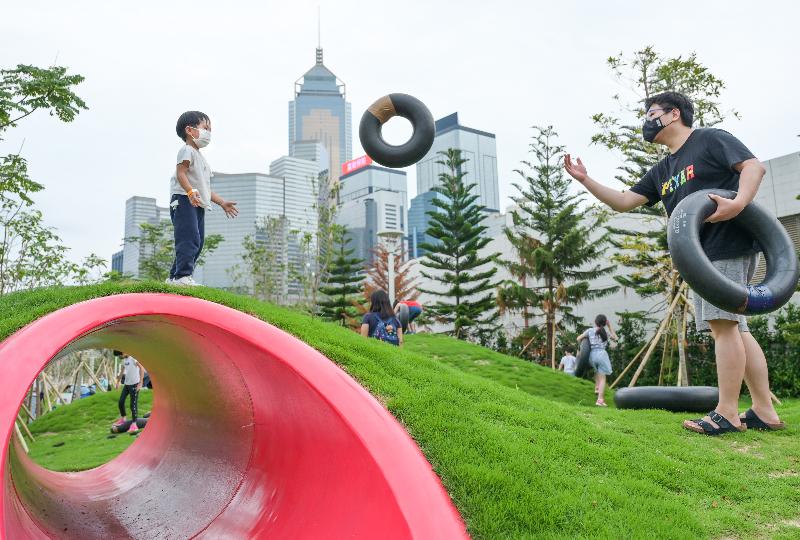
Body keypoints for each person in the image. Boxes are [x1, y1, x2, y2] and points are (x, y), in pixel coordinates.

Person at [564, 91, 784, 434]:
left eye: (652, 113)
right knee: (736, 327)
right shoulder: (663, 170)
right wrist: (585, 180)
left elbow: (753, 167)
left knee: (723, 326)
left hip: (726, 243)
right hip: (701, 254)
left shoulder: (710, 139)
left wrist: (738, 203)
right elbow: (623, 201)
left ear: (674, 113)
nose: (647, 122)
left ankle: (727, 412)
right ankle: (764, 411)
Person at [167, 111, 239, 286]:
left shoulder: (200, 157)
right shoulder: (186, 150)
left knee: (197, 242)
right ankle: (182, 276)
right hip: (184, 200)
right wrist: (190, 192)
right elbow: (181, 173)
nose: (209, 133)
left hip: (197, 203)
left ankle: (174, 278)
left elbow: (205, 188)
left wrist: (222, 202)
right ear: (189, 130)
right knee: (188, 238)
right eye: (205, 128)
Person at [578, 315, 617, 406]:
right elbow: (615, 338)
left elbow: (578, 338)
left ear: (595, 322)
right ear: (605, 323)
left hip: (592, 355)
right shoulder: (605, 332)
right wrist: (609, 326)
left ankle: (597, 388)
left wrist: (583, 346)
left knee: (597, 370)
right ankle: (600, 400)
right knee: (603, 378)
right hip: (602, 355)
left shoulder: (590, 331)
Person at [114, 353, 145, 433]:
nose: (120, 357)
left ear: (123, 352)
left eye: (120, 355)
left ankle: (134, 424)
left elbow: (142, 368)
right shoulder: (124, 360)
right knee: (121, 402)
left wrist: (140, 382)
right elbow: (121, 371)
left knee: (133, 405)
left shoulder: (133, 358)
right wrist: (118, 382)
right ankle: (123, 418)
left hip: (135, 384)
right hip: (127, 384)